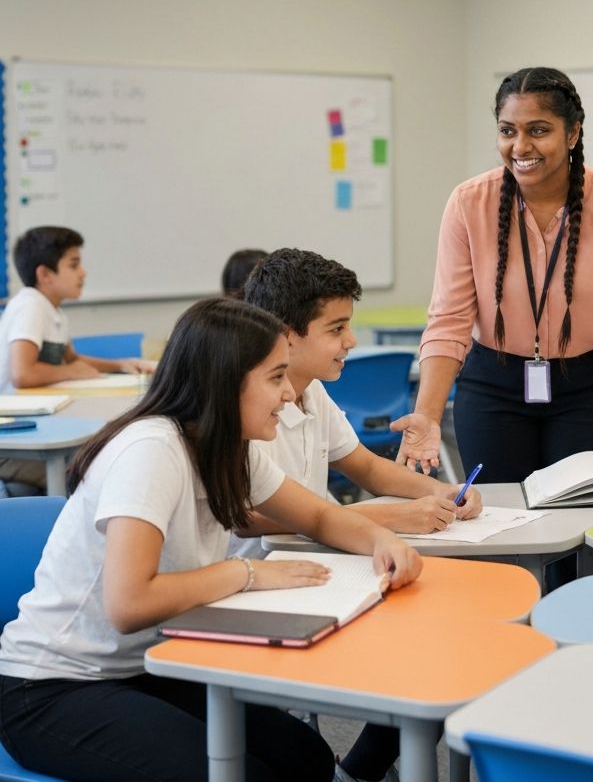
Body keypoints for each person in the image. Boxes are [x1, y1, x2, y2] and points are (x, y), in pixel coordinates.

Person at [0, 297, 419, 782]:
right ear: (225, 384)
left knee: (305, 757)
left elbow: (320, 517)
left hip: (142, 668)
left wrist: (381, 541)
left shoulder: (231, 448)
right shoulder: (152, 451)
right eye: (275, 377)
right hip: (50, 687)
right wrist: (245, 574)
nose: (288, 394)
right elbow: (128, 603)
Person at [396, 66, 593, 482]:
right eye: (507, 131)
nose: (520, 146)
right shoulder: (469, 203)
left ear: (572, 133)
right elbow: (449, 321)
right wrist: (428, 417)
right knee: (499, 523)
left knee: (578, 525)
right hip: (494, 385)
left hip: (589, 388)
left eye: (538, 130)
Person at [237, 247, 482, 551]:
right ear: (287, 335)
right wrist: (382, 516)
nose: (351, 340)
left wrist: (443, 491)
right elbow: (245, 518)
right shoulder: (245, 403)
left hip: (314, 556)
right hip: (259, 569)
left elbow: (367, 468)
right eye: (337, 328)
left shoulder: (312, 391)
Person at [0, 226, 153, 494]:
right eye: (74, 264)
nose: (83, 272)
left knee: (101, 457)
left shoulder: (53, 310)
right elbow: (22, 374)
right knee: (92, 473)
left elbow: (72, 360)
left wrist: (121, 365)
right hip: (15, 444)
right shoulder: (30, 306)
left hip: (38, 429)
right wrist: (71, 371)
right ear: (44, 273)